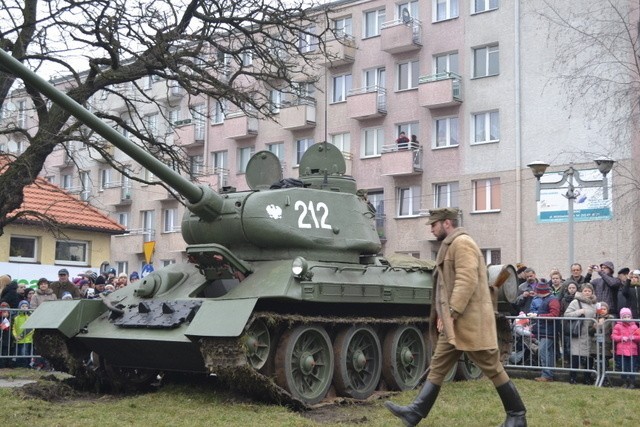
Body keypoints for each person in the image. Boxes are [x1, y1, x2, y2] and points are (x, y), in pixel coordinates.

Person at [384, 208, 526, 427]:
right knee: (439, 364)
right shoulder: (451, 245)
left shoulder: (462, 243)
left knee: (492, 367)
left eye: (434, 224)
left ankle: (517, 415)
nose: (432, 228)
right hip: (458, 323)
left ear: (447, 223)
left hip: (468, 321)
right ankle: (415, 412)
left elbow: (466, 280)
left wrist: (452, 312)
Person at [563, 283, 597, 384]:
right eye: (585, 291)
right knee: (575, 356)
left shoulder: (595, 303)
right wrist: (579, 312)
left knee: (589, 357)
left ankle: (587, 378)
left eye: (589, 291)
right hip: (578, 333)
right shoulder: (575, 302)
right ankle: (573, 378)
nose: (587, 293)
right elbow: (566, 315)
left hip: (590, 333)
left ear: (592, 292)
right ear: (582, 292)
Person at [529, 281, 561, 382]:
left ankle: (546, 375)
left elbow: (554, 315)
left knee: (543, 352)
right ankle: (548, 374)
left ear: (541, 292)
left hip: (548, 331)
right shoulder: (549, 299)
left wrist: (537, 316)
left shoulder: (552, 300)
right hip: (547, 331)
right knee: (549, 353)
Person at [611, 307, 639, 388]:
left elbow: (638, 337)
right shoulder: (618, 326)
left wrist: (634, 338)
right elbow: (613, 336)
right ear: (621, 317)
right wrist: (621, 338)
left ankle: (632, 382)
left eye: (628, 316)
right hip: (622, 351)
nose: (627, 318)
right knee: (623, 367)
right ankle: (624, 382)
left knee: (632, 367)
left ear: (631, 317)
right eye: (624, 317)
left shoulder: (634, 326)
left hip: (632, 351)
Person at [12, 300, 33, 368]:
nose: (25, 308)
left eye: (26, 306)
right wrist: (15, 336)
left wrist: (22, 336)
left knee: (24, 352)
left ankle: (25, 366)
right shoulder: (16, 318)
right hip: (17, 339)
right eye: (23, 306)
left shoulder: (30, 317)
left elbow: (31, 328)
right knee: (18, 353)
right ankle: (19, 365)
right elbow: (13, 328)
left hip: (26, 339)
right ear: (19, 307)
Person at [0, 301, 13, 368]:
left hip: (7, 337)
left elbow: (7, 326)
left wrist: (6, 318)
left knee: (6, 350)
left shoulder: (10, 318)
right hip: (2, 337)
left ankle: (6, 364)